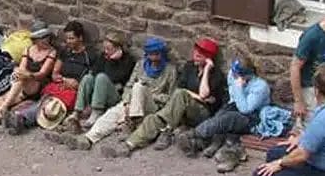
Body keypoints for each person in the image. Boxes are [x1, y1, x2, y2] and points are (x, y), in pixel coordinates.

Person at [100, 36, 226, 158]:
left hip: (202, 114)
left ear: (209, 57)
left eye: (202, 53)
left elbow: (203, 95)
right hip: (181, 110)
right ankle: (129, 145)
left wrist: (207, 69)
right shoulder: (189, 67)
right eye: (196, 51)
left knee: (180, 95)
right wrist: (195, 95)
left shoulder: (216, 75)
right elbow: (180, 89)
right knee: (153, 118)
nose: (196, 55)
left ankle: (167, 130)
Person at [49, 37, 178, 151]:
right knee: (110, 115)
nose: (153, 57)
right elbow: (129, 85)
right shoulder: (141, 65)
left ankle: (131, 123)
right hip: (132, 103)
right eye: (150, 54)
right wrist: (127, 102)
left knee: (139, 87)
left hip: (152, 106)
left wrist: (148, 94)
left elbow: (170, 98)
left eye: (156, 54)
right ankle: (88, 138)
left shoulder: (170, 70)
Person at [180, 55, 271, 172]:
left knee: (228, 119)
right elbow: (232, 98)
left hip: (252, 117)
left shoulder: (260, 87)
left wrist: (239, 88)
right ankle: (206, 144)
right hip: (234, 106)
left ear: (246, 75)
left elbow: (245, 109)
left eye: (236, 74)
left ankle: (194, 134)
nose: (232, 76)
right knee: (219, 116)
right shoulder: (232, 75)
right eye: (233, 73)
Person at [8, 21, 95, 134]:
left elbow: (90, 78)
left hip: (74, 90)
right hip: (59, 84)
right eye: (67, 38)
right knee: (46, 100)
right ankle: (21, 118)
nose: (68, 41)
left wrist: (77, 84)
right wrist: (63, 79)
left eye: (72, 38)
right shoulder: (65, 52)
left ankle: (22, 118)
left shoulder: (90, 56)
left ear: (80, 38)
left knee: (53, 105)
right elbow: (55, 73)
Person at [66, 31, 136, 132]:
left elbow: (116, 78)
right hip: (98, 92)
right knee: (88, 78)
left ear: (118, 48)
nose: (106, 51)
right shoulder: (104, 56)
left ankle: (96, 111)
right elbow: (94, 71)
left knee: (102, 77)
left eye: (109, 49)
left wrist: (112, 61)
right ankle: (77, 111)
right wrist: (107, 60)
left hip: (114, 95)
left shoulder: (127, 60)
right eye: (105, 48)